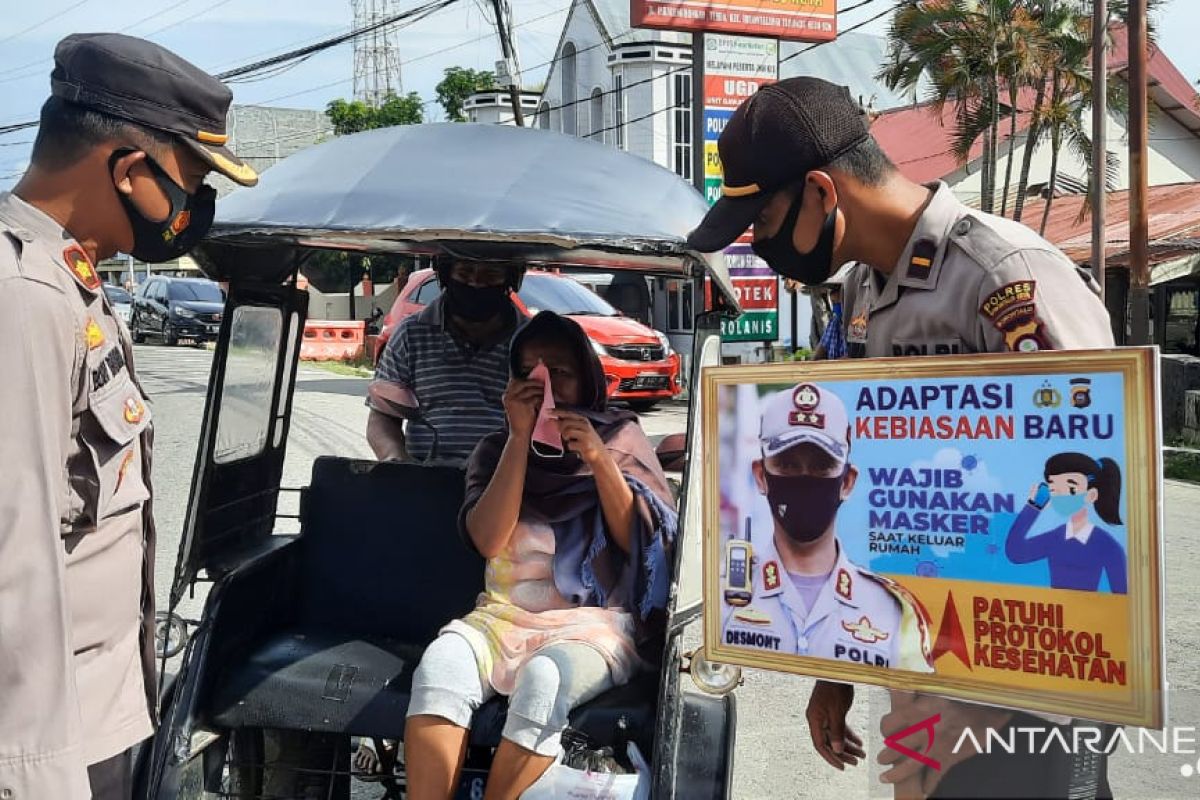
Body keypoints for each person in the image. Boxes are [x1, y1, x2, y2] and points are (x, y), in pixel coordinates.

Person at [687, 76, 1116, 797]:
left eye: (761, 223)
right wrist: (835, 667)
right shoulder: (859, 296)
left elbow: (1092, 484)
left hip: (1032, 682)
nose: (759, 247)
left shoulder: (1004, 276)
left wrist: (1007, 703)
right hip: (920, 665)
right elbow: (859, 499)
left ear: (823, 192)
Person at [0, 33, 257, 800]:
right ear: (129, 169)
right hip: (52, 744)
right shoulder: (25, 296)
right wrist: (37, 778)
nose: (194, 209)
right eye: (192, 181)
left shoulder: (72, 279)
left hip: (100, 712)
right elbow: (14, 558)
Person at [403, 311, 677, 800]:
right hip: (503, 616)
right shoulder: (493, 451)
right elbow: (488, 540)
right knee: (439, 667)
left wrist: (597, 459)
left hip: (593, 623)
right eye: (529, 375)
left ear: (587, 378)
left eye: (560, 374)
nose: (544, 387)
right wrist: (517, 440)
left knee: (544, 680)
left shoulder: (618, 439)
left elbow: (639, 538)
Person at [721, 382, 933, 672]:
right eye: (788, 465)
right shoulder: (723, 595)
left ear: (847, 482)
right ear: (761, 476)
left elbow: (914, 709)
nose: (804, 479)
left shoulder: (892, 610)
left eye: (821, 467)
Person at [367, 256, 523, 464]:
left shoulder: (530, 340)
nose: (475, 283)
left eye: (490, 275)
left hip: (508, 481)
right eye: (465, 273)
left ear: (510, 279)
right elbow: (382, 416)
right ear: (446, 275)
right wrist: (396, 459)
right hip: (426, 478)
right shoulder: (411, 334)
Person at [1006, 453, 1127, 594]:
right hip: (1056, 613)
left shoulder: (1107, 545)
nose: (1061, 495)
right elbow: (1015, 553)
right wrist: (1033, 507)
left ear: (1091, 495)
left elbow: (1121, 596)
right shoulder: (1056, 538)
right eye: (1053, 489)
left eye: (1071, 489)